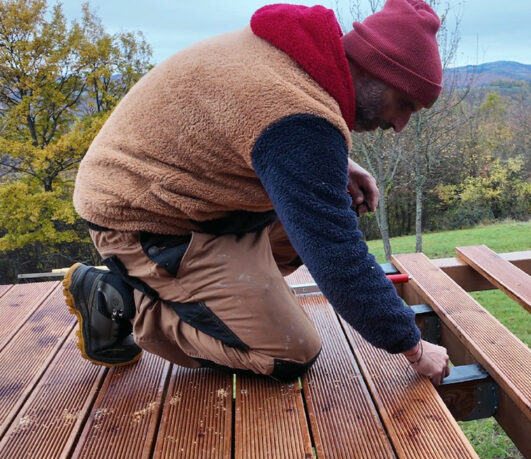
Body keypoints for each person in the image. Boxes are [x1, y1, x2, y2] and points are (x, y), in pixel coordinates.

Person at [62, 0, 451, 385]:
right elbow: (337, 255)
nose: (400, 124)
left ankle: (224, 295)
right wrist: (413, 346)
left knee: (335, 199)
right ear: (372, 69)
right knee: (289, 353)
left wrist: (338, 165)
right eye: (403, 104)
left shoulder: (303, 56)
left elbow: (244, 123)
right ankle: (120, 298)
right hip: (138, 218)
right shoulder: (297, 120)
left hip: (188, 201)